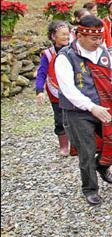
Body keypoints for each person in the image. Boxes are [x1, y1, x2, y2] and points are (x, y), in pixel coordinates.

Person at [55, 15, 112, 206]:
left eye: (100, 38)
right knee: (87, 151)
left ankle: (103, 165)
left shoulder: (102, 52)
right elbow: (68, 89)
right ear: (80, 35)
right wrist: (91, 107)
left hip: (104, 105)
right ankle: (90, 188)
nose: (98, 42)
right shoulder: (65, 57)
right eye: (93, 38)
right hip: (78, 111)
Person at [35, 21, 72, 156]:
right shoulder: (48, 54)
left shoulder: (74, 50)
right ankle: (63, 145)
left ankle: (76, 143)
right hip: (55, 91)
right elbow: (41, 73)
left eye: (67, 34)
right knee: (60, 118)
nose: (66, 37)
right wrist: (39, 91)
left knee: (76, 117)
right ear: (53, 36)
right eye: (62, 34)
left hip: (74, 90)